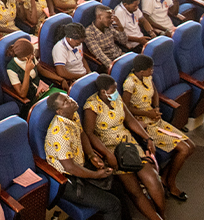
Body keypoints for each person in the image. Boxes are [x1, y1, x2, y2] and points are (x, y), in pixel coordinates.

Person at [82, 74, 166, 220]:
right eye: (112, 91)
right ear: (103, 92)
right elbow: (89, 134)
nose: (116, 93)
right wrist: (108, 154)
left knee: (153, 179)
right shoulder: (91, 106)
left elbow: (130, 120)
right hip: (111, 149)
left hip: (129, 144)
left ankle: (162, 215)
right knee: (135, 191)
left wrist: (147, 138)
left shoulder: (117, 98)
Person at [123, 55, 195, 201]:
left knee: (191, 146)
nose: (152, 71)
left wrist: (155, 107)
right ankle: (171, 183)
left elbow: (154, 91)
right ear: (141, 71)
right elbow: (125, 108)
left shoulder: (147, 77)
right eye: (150, 69)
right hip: (145, 124)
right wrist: (146, 113)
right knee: (184, 149)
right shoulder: (130, 83)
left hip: (155, 118)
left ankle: (165, 178)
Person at [43, 93, 122, 220]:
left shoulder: (73, 115)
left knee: (117, 184)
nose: (71, 101)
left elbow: (82, 133)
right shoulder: (59, 133)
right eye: (65, 102)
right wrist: (96, 175)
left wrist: (91, 155)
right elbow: (70, 168)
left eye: (68, 98)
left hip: (81, 164)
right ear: (60, 111)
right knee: (113, 205)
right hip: (68, 180)